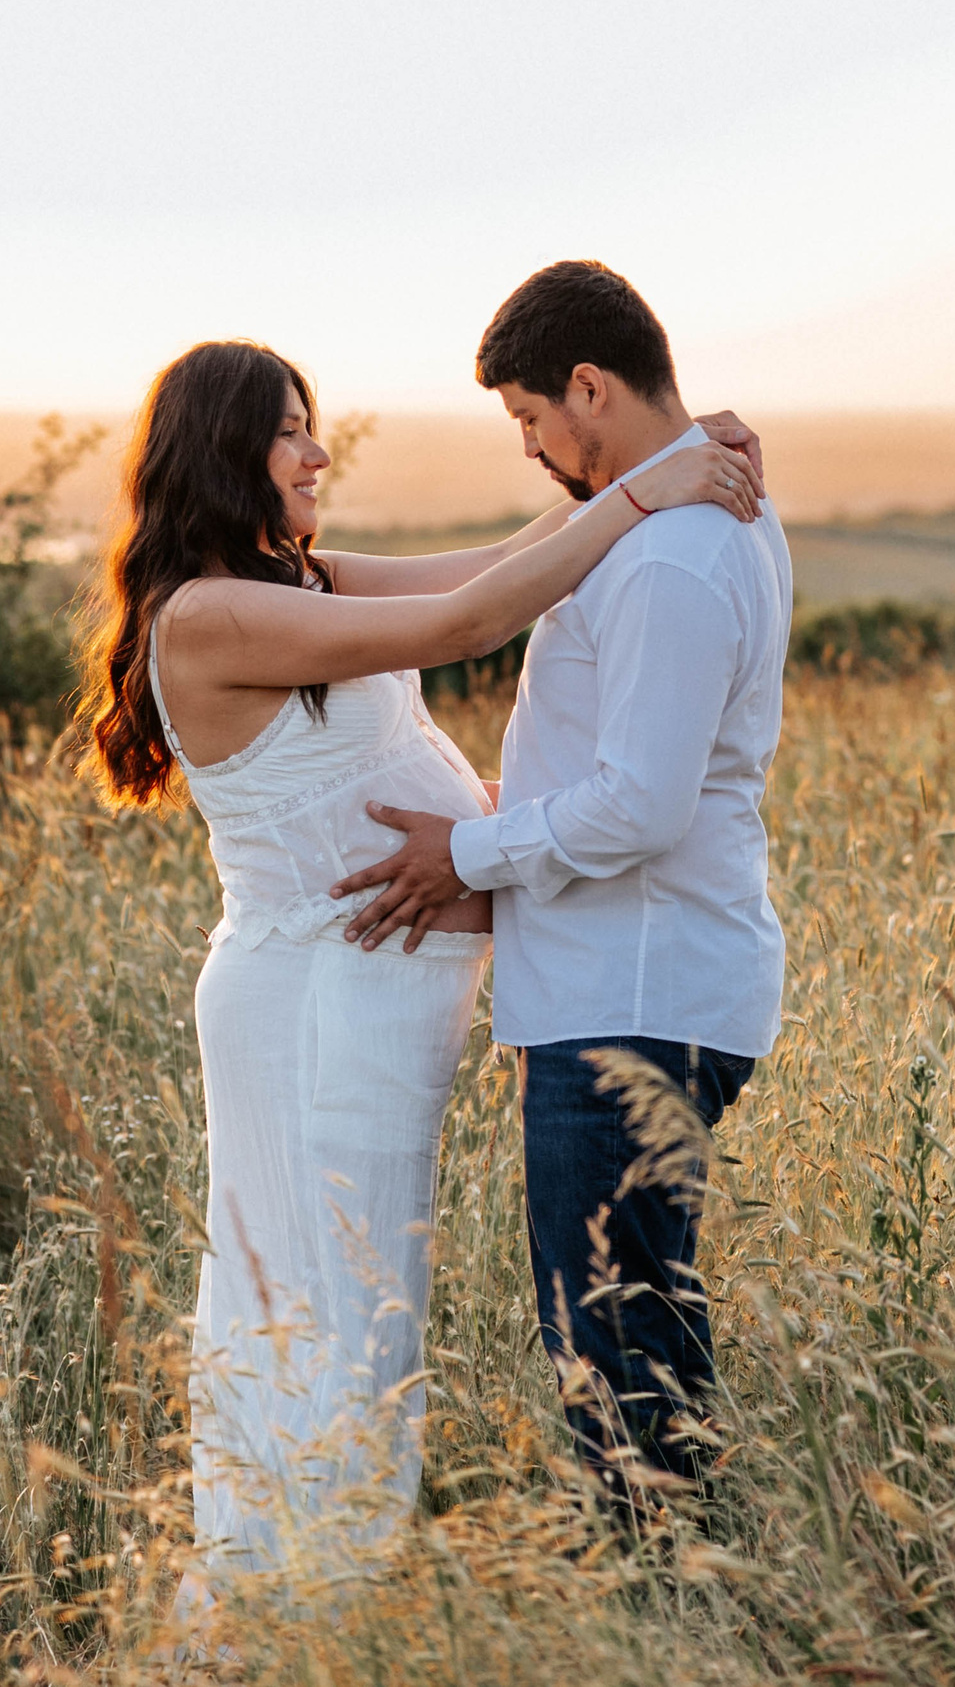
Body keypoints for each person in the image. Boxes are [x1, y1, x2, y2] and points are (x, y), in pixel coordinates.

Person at [72, 338, 765, 1589]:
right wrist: (645, 493)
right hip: (313, 1010)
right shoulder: (213, 612)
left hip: (368, 1003)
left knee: (359, 1313)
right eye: (289, 431)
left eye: (310, 425)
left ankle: (322, 1596)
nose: (315, 451)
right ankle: (287, 1611)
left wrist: (655, 459)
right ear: (224, 450)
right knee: (325, 1319)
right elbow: (468, 621)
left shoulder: (297, 580)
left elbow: (500, 566)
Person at [335, 261, 792, 1509]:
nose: (532, 447)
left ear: (590, 387)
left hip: (629, 999)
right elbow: (485, 577)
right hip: (629, 987)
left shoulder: (669, 559)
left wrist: (461, 853)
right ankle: (686, 1589)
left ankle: (664, 1601)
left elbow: (639, 804)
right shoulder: (666, 521)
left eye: (532, 418)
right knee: (639, 1334)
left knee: (614, 1356)